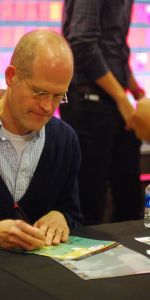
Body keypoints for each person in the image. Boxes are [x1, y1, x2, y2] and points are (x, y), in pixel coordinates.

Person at [0, 30, 83, 249]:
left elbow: (74, 215)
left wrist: (62, 217)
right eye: (39, 92)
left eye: (59, 96)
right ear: (11, 76)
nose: (48, 107)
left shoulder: (64, 140)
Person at [60, 0, 144, 225]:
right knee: (90, 199)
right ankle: (85, 257)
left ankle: (126, 257)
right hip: (87, 102)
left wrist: (136, 91)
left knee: (129, 194)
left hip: (111, 101)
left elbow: (114, 48)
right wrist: (120, 97)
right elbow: (82, 43)